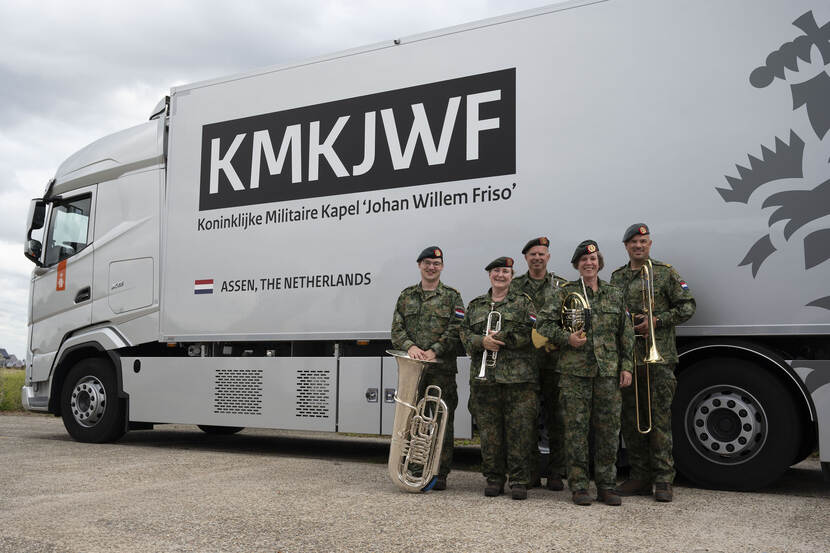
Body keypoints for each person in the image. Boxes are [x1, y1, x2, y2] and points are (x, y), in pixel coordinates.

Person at [537, 240, 634, 506]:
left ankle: (606, 485)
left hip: (607, 373)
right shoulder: (564, 293)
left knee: (608, 431)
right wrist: (566, 338)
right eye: (583, 261)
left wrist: (626, 367)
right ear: (577, 265)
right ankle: (579, 486)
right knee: (576, 431)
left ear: (599, 264)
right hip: (574, 373)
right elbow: (542, 325)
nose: (589, 264)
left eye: (593, 260)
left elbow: (625, 334)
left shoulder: (614, 293)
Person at [610, 224, 696, 503]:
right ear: (626, 246)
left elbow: (687, 306)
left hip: (659, 358)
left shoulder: (664, 272)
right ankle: (639, 476)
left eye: (643, 241)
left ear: (650, 243)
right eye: (633, 242)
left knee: (658, 421)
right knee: (632, 421)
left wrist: (657, 321)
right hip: (629, 358)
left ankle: (662, 480)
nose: (638, 246)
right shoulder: (617, 277)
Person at [461, 257, 538, 500]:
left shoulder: (524, 303)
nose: (500, 275)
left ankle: (518, 480)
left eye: (505, 271)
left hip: (518, 381)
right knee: (489, 434)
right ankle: (494, 479)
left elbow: (532, 332)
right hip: (485, 382)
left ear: (512, 275)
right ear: (489, 274)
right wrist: (480, 341)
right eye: (496, 271)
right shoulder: (475, 305)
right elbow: (463, 333)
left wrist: (502, 337)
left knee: (519, 433)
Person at [390, 245, 465, 491]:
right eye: (427, 263)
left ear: (441, 267)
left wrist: (434, 350)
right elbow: (397, 328)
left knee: (441, 422)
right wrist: (410, 346)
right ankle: (411, 468)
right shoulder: (406, 295)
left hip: (441, 369)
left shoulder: (452, 296)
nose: (431, 267)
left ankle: (438, 472)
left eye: (436, 264)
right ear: (419, 265)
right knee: (412, 419)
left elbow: (457, 329)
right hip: (413, 367)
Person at [512, 236, 568, 490]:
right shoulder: (515, 286)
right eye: (532, 254)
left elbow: (569, 320)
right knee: (528, 420)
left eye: (541, 254)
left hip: (554, 362)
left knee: (557, 419)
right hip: (525, 363)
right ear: (526, 258)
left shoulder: (561, 286)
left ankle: (556, 473)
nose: (537, 258)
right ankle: (532, 473)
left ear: (548, 257)